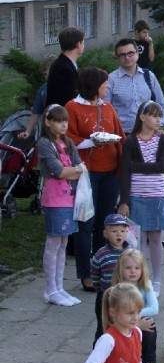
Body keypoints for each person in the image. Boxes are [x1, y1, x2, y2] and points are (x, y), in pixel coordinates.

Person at [66, 67, 125, 292]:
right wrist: (93, 142)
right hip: (86, 172)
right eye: (104, 83)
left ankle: (103, 270)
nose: (108, 86)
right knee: (85, 223)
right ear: (94, 85)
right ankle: (85, 273)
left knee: (104, 223)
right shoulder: (72, 107)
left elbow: (119, 135)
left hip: (110, 171)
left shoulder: (107, 107)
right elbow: (69, 138)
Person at [117, 101, 164, 296]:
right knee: (138, 240)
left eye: (160, 116)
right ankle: (140, 278)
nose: (158, 120)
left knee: (155, 237)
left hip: (157, 195)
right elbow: (125, 172)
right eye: (154, 116)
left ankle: (156, 280)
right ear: (142, 117)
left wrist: (135, 166)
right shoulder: (131, 141)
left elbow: (160, 167)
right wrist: (124, 201)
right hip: (136, 195)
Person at [38, 104, 84, 306]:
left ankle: (59, 287)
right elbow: (58, 171)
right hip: (54, 199)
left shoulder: (69, 142)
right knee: (53, 242)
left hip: (70, 199)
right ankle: (50, 289)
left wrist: (73, 170)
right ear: (48, 122)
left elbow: (80, 166)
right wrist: (74, 170)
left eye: (65, 120)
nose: (64, 125)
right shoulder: (45, 144)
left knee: (63, 242)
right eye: (58, 121)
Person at [82, 283, 159, 363]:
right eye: (130, 313)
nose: (136, 317)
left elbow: (134, 362)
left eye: (138, 311)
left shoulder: (137, 332)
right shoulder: (108, 340)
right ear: (113, 312)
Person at [105, 39, 164, 135]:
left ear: (137, 54)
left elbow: (161, 104)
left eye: (130, 53)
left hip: (148, 134)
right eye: (122, 55)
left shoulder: (149, 76)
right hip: (123, 135)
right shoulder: (111, 80)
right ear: (118, 57)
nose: (127, 57)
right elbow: (105, 110)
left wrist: (159, 125)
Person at [111, 249, 159, 363]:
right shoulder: (118, 288)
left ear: (142, 270)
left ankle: (150, 362)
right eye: (128, 268)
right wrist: (135, 323)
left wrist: (135, 318)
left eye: (137, 268)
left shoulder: (146, 284)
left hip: (136, 319)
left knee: (149, 324)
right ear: (121, 270)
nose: (133, 271)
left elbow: (154, 308)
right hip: (121, 321)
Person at [91, 214, 130, 342]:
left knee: (123, 325)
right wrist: (100, 290)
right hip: (106, 296)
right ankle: (98, 350)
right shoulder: (101, 254)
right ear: (106, 234)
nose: (119, 234)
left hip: (125, 295)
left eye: (122, 231)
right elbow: (95, 274)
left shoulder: (129, 252)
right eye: (114, 231)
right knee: (103, 326)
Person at [18, 55, 57, 141]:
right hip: (48, 132)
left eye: (48, 73)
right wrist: (27, 132)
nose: (46, 77)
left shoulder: (66, 87)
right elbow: (36, 113)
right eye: (44, 75)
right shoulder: (43, 90)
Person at [46, 26, 84, 107]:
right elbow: (68, 100)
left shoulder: (65, 64)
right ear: (78, 45)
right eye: (83, 42)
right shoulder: (64, 68)